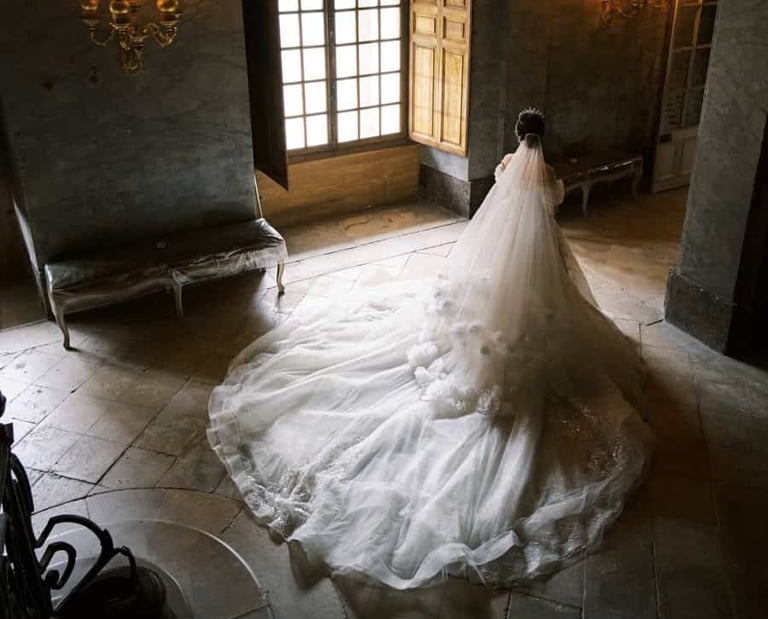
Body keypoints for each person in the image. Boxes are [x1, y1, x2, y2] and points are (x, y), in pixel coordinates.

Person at [208, 108, 653, 589]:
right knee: (541, 316)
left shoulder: (506, 166)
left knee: (489, 314)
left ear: (518, 135)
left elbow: (502, 208)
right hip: (540, 264)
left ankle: (478, 353)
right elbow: (551, 205)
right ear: (544, 138)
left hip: (503, 264)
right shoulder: (547, 175)